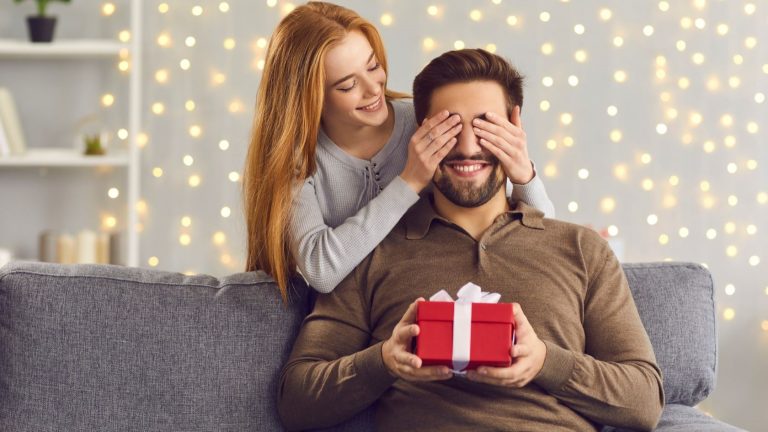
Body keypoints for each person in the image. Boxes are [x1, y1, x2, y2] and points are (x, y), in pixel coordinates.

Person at [277, 49, 664, 431]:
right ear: (420, 135)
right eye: (448, 127)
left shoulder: (581, 249)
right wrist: (383, 361)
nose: (466, 146)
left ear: (514, 128)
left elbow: (645, 402)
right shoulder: (371, 255)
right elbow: (296, 401)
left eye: (485, 125)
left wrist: (545, 362)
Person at [242, 1, 555, 297]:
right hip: (348, 315)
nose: (373, 88)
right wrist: (410, 181)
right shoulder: (297, 158)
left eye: (373, 66)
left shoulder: (423, 122)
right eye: (348, 85)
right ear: (310, 97)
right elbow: (320, 270)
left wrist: (524, 175)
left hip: (423, 293)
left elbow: (545, 235)